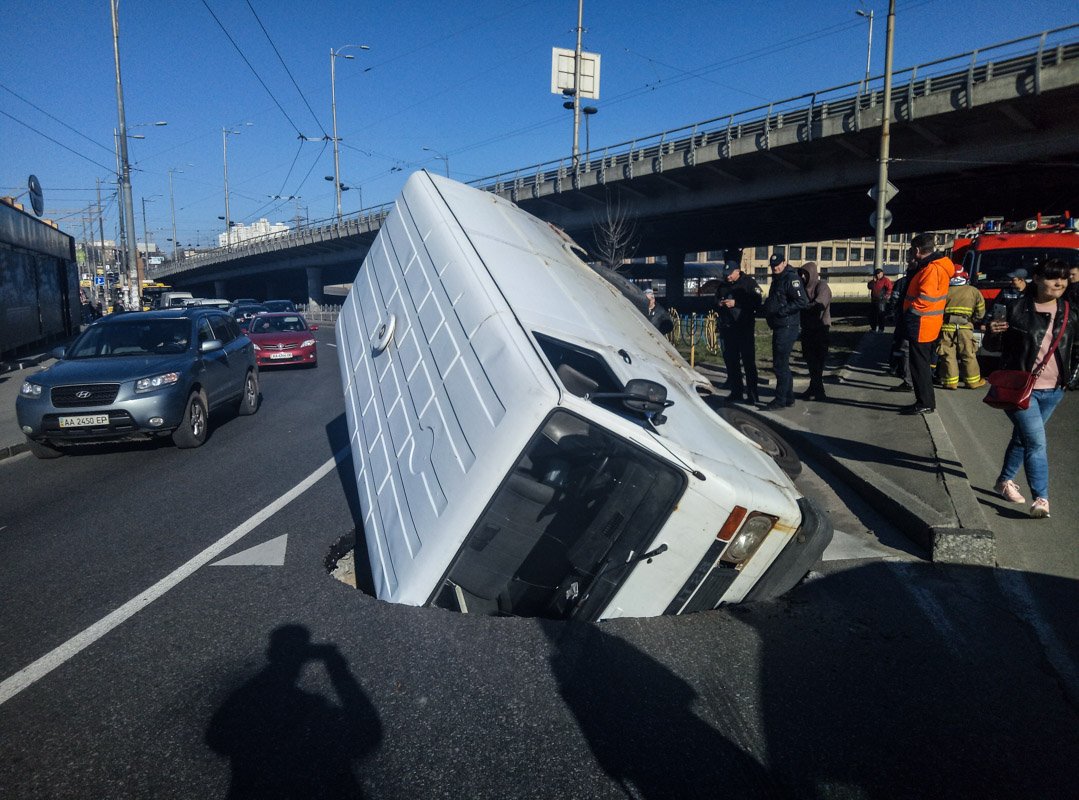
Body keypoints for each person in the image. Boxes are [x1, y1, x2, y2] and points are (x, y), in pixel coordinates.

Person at [988, 259, 1078, 519]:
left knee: (1023, 438)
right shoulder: (1015, 309)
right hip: (1019, 390)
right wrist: (992, 332)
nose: (1059, 282)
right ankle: (1042, 498)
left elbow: (1077, 348)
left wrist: (1071, 377)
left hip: (1054, 390)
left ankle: (1004, 481)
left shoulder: (1071, 312)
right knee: (1036, 442)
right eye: (1051, 277)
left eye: (1063, 277)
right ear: (1036, 279)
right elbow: (995, 348)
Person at [898, 233, 953, 414]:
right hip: (926, 323)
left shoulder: (931, 269)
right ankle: (925, 401)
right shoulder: (934, 267)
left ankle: (925, 403)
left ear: (917, 250)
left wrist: (909, 313)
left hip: (921, 323)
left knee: (919, 366)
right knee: (920, 364)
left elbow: (925, 299)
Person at [762, 253, 808, 410]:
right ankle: (789, 397)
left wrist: (782, 311)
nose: (775, 268)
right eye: (773, 266)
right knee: (782, 364)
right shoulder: (778, 279)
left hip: (788, 326)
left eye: (778, 265)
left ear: (784, 263)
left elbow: (802, 301)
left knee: (779, 364)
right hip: (779, 325)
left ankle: (780, 400)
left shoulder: (791, 279)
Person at [714, 262, 763, 404]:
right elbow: (715, 299)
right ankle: (736, 392)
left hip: (744, 327)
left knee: (748, 362)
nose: (727, 277)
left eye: (730, 274)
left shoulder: (748, 283)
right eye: (726, 274)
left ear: (738, 271)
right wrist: (720, 303)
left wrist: (737, 303)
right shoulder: (723, 285)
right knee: (732, 362)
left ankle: (753, 395)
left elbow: (756, 301)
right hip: (728, 328)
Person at [935, 268, 986, 390]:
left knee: (948, 355)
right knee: (968, 354)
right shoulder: (973, 291)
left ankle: (950, 382)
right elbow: (980, 312)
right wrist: (974, 320)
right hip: (965, 328)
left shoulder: (944, 291)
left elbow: (936, 310)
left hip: (947, 327)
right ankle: (973, 382)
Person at [798, 261, 832, 400]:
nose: (803, 277)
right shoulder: (802, 288)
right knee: (810, 359)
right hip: (807, 329)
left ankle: (818, 391)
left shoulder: (822, 286)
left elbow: (820, 304)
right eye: (801, 274)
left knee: (818, 361)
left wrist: (803, 307)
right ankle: (815, 389)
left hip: (820, 328)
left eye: (805, 274)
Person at [867, 268, 893, 332]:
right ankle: (873, 328)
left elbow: (890, 288)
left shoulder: (885, 280)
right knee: (873, 315)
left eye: (879, 274)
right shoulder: (874, 281)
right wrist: (873, 282)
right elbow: (869, 286)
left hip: (882, 300)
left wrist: (886, 296)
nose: (878, 275)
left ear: (882, 273)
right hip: (874, 300)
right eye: (877, 274)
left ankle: (881, 329)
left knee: (881, 314)